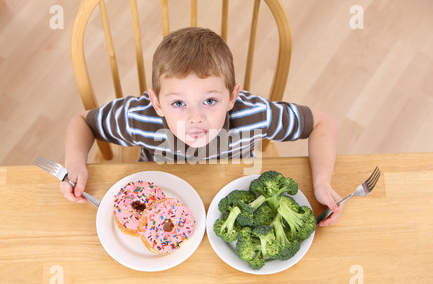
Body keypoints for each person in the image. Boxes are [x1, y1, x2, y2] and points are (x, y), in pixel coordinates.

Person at [61, 27, 342, 226]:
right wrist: (75, 163)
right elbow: (83, 123)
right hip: (162, 197)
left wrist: (321, 182)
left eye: (209, 100)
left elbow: (321, 123)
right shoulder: (140, 117)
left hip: (233, 196)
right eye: (178, 104)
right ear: (156, 103)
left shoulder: (255, 115)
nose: (195, 118)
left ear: (232, 97)